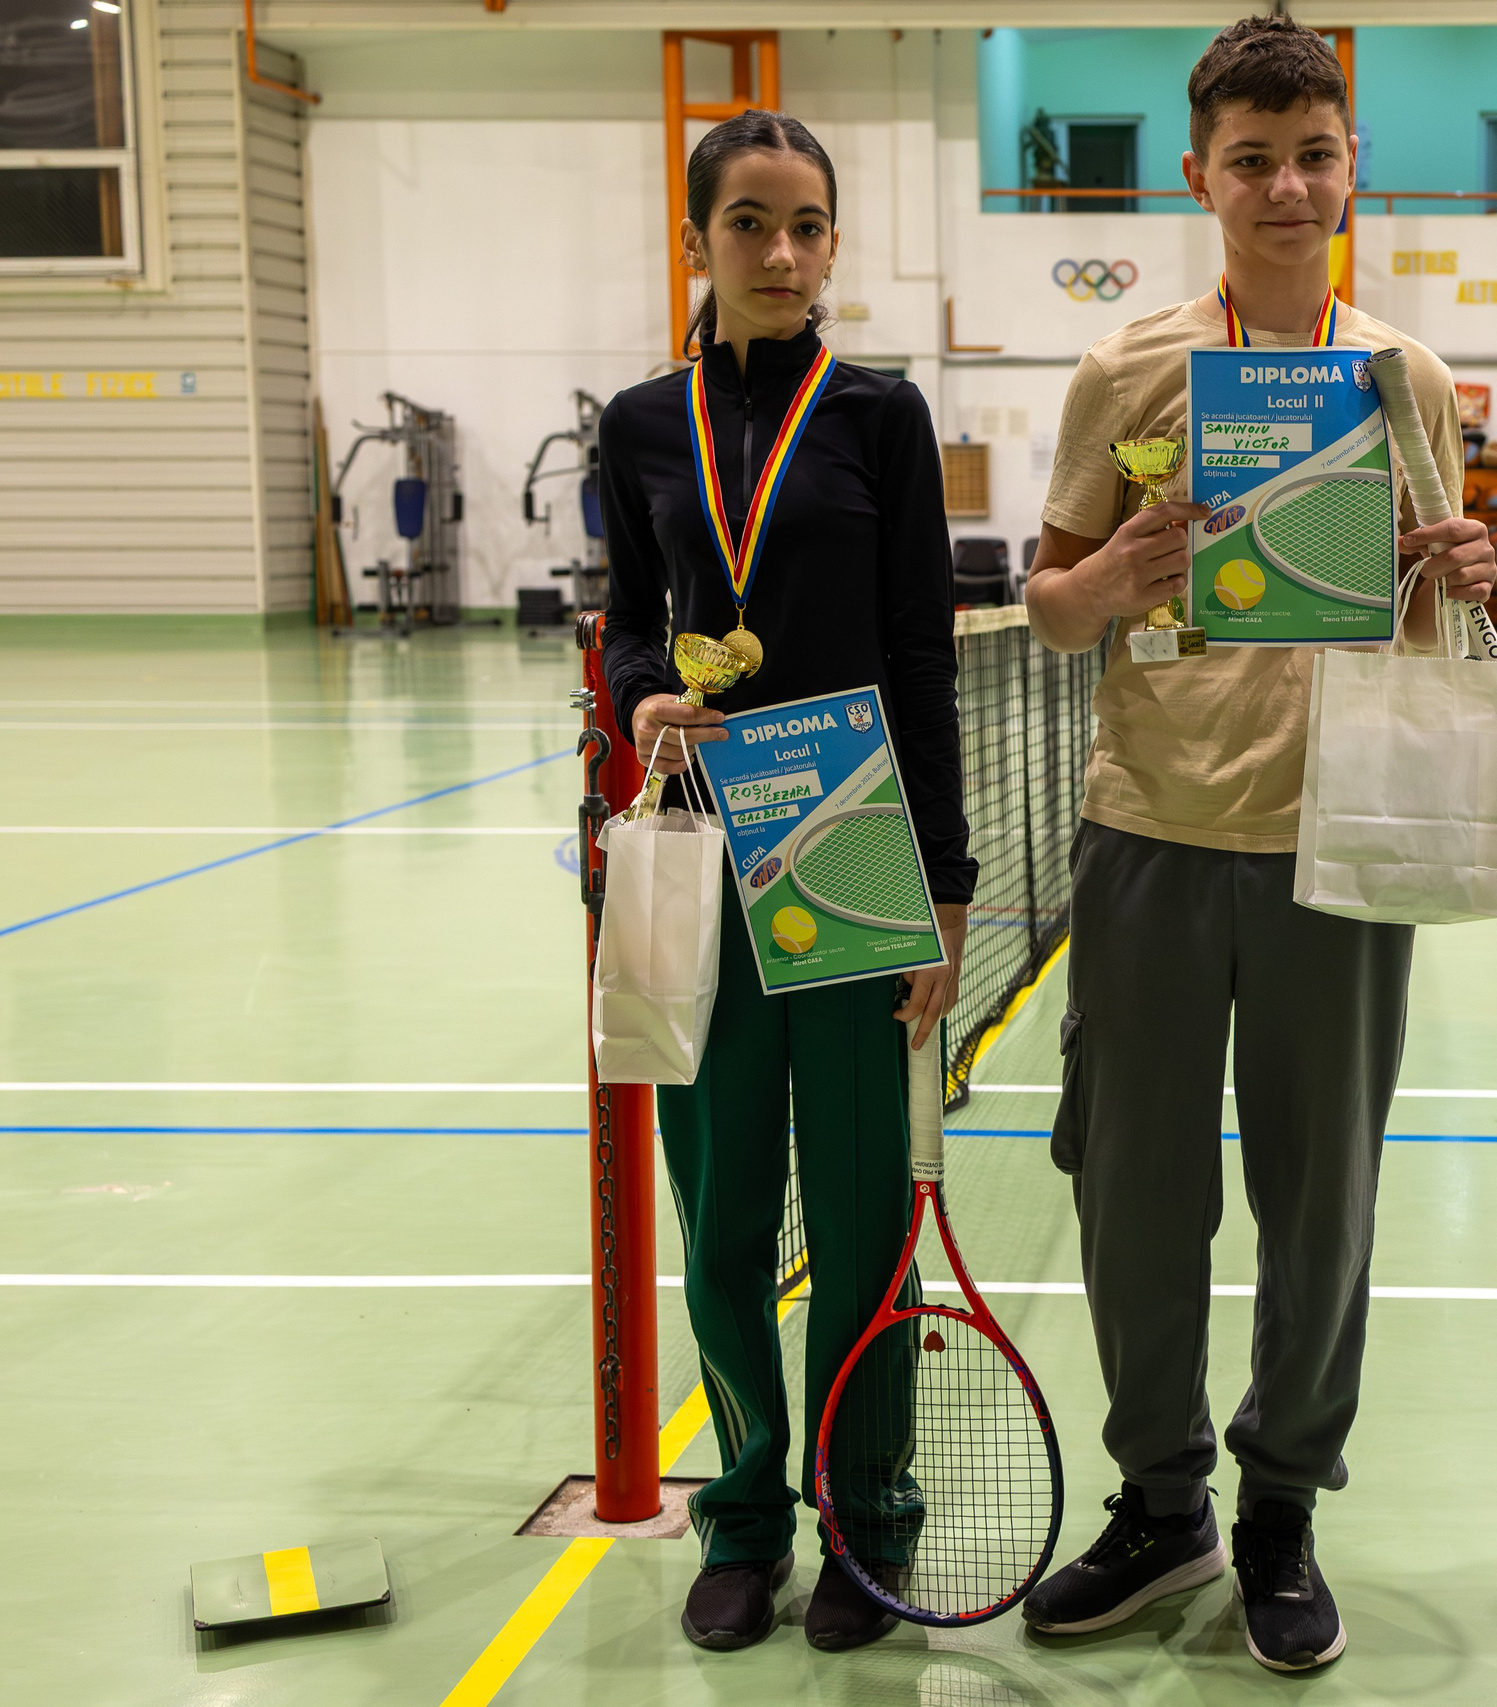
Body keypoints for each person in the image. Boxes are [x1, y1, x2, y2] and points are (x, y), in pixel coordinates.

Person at [1014, 16, 1497, 1675]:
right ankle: (1161, 1508)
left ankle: (1282, 1507)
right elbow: (1051, 602)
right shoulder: (1127, 370)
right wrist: (1118, 581)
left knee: (1323, 1206)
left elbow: (1438, 615)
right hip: (1149, 838)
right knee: (1137, 1204)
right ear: (1197, 176)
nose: (1286, 187)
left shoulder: (1405, 375)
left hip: (1340, 848)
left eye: (1315, 155)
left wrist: (1467, 573)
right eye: (1252, 160)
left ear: (1350, 165)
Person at [595, 109, 970, 1657]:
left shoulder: (880, 416)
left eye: (807, 225)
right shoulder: (637, 420)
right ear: (700, 240)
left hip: (857, 844)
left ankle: (867, 1519)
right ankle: (745, 1519)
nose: (781, 252)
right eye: (749, 223)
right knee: (729, 1210)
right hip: (704, 853)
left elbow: (922, 660)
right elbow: (624, 618)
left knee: (869, 1213)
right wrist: (640, 702)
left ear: (833, 244)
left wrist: (947, 886)